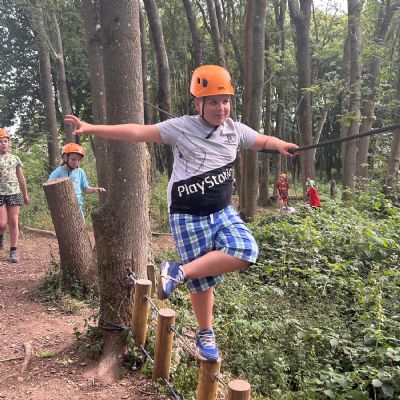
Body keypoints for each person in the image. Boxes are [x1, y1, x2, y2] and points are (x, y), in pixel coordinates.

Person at [64, 65, 298, 362]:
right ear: (198, 103)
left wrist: (281, 145)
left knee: (246, 249)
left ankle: (179, 272)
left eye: (225, 100)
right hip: (187, 215)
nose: (220, 107)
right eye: (212, 101)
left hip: (222, 211)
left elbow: (261, 141)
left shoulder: (234, 130)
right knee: (203, 282)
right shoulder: (182, 127)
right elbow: (138, 132)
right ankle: (205, 333)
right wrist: (92, 128)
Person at [48, 143, 106, 218]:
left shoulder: (80, 172)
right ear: (65, 158)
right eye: (73, 159)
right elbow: (49, 189)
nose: (76, 162)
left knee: (81, 224)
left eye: (79, 160)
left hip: (78, 207)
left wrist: (95, 189)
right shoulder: (58, 172)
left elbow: (85, 189)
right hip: (63, 209)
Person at [0, 128, 30, 263]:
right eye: (0, 142)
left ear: (9, 143)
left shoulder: (15, 159)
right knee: (2, 223)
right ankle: (1, 238)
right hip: (0, 194)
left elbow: (21, 178)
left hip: (14, 192)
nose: (3, 144)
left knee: (13, 222)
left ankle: (13, 251)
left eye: (5, 141)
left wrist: (25, 194)